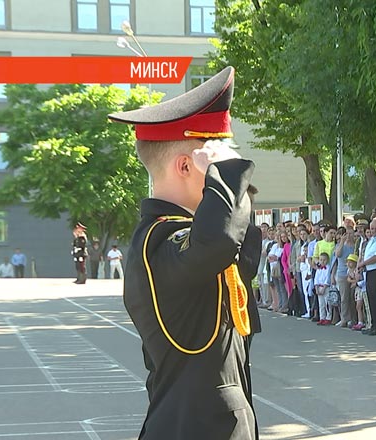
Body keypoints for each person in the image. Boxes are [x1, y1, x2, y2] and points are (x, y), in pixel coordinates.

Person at [109, 67, 256, 439]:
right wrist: (226, 177)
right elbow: (219, 241)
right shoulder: (161, 241)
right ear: (187, 166)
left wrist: (228, 186)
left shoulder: (179, 238)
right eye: (215, 160)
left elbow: (242, 253)